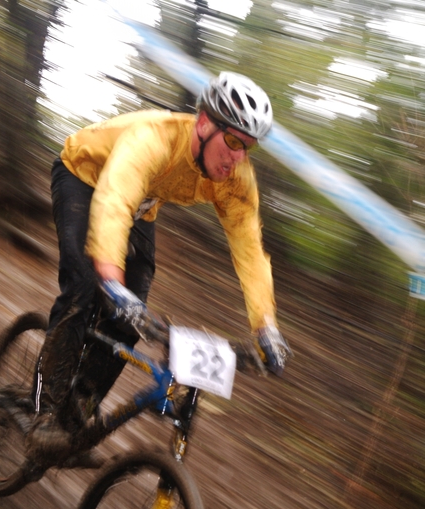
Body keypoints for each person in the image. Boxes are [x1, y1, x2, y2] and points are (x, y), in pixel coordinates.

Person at [28, 71, 291, 459]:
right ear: (204, 124)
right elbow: (114, 202)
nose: (238, 156)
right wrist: (111, 280)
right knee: (84, 291)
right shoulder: (153, 137)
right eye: (233, 140)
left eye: (248, 147)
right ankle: (42, 415)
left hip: (141, 205)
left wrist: (266, 327)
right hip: (84, 176)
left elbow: (250, 251)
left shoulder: (236, 179)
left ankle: (75, 416)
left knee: (133, 318)